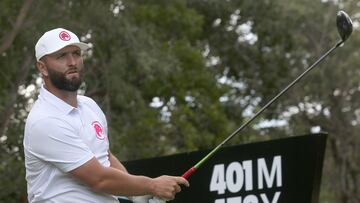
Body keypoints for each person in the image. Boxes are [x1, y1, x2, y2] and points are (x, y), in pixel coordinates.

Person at [23, 28, 189, 203]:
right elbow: (99, 179)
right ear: (43, 68)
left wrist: (135, 193)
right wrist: (152, 185)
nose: (72, 62)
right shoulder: (45, 120)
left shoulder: (89, 106)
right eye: (61, 56)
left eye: (76, 54)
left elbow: (105, 156)